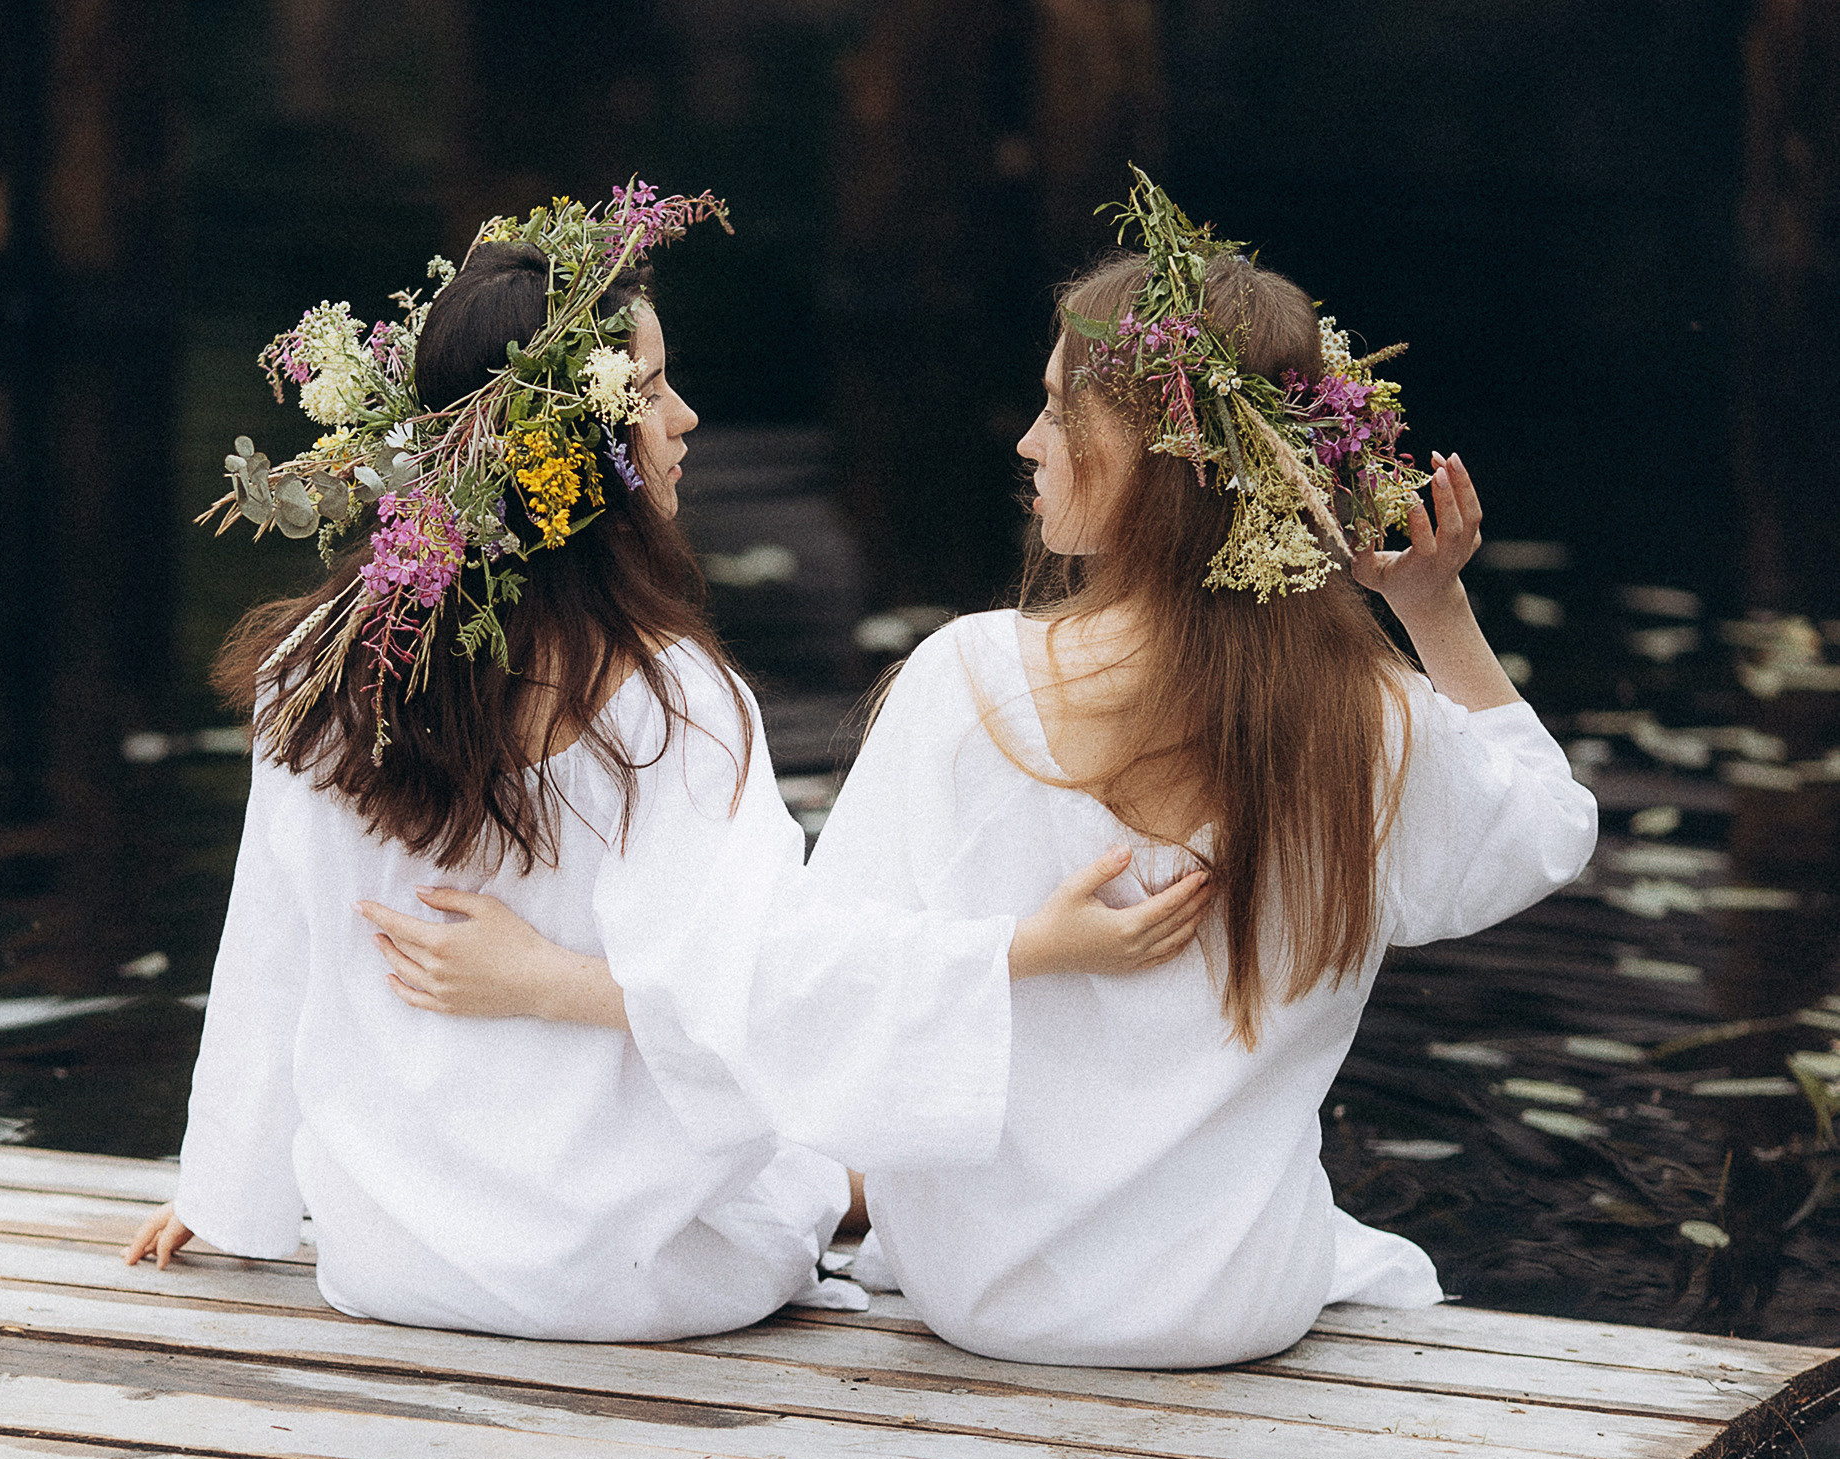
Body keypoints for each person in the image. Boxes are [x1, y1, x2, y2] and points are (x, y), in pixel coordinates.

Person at [359, 172, 1600, 1366]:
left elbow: (802, 993)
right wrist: (1433, 615)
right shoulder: (1369, 714)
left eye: (1061, 410)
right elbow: (1546, 833)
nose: (1028, 439)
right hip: (1231, 1300)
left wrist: (570, 992)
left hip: (988, 1296)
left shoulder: (966, 681)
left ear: (1149, 463)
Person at [123, 184, 1207, 1342]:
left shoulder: (323, 669)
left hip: (397, 1252)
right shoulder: (670, 704)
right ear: (571, 447)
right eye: (647, 391)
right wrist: (1023, 950)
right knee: (813, 1152)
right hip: (626, 1276)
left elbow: (268, 951)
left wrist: (223, 1194)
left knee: (801, 1119)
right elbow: (758, 1004)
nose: (685, 416)